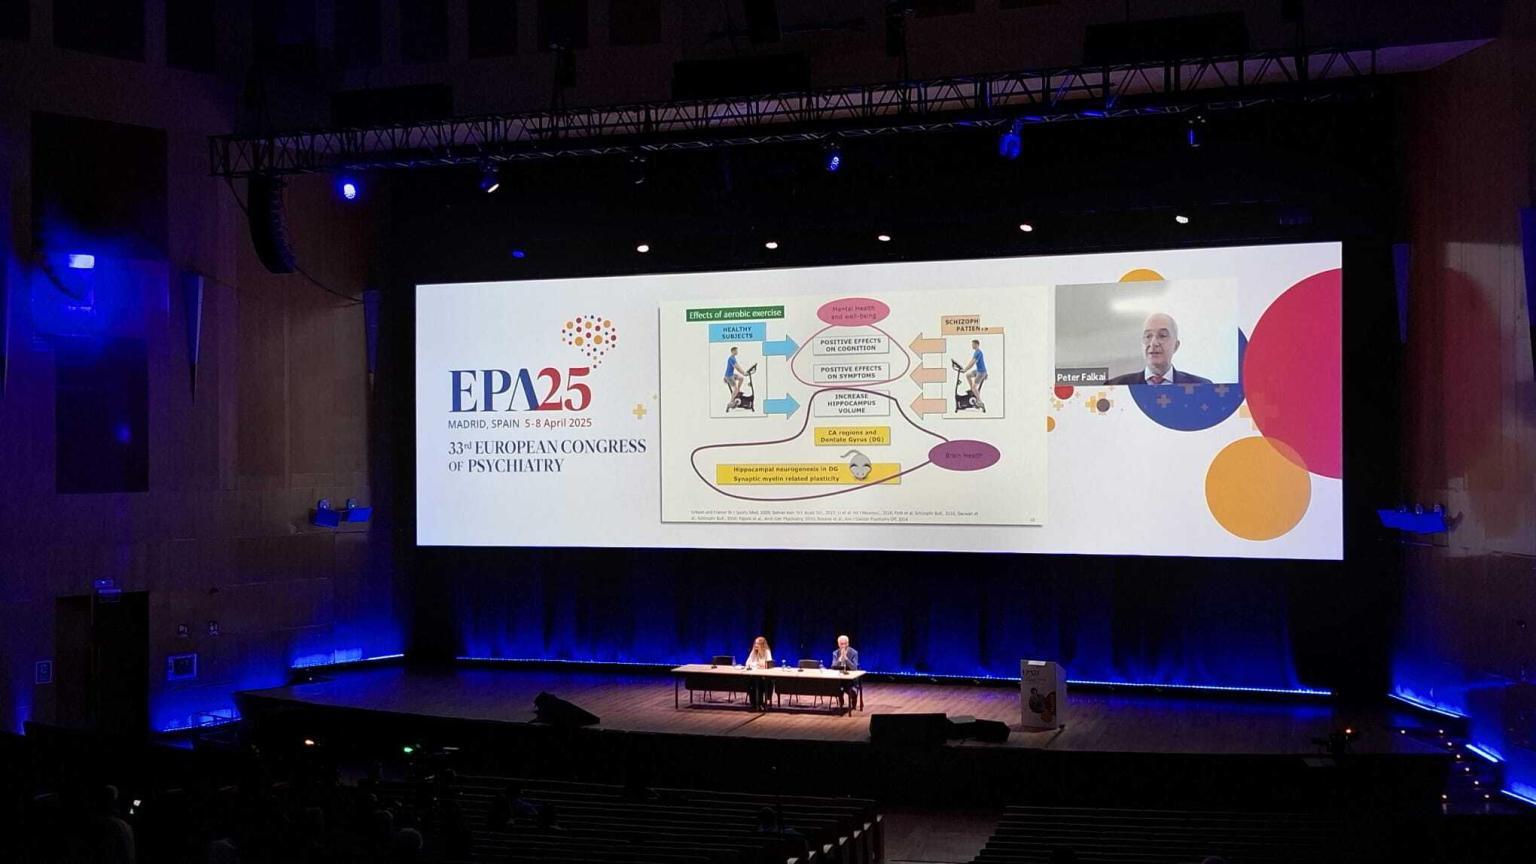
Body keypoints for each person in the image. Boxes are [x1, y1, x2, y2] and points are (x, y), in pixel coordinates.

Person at [1106, 312, 1212, 385]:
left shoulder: (1201, 387)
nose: (1154, 343)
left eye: (1162, 336)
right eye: (1148, 336)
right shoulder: (1116, 387)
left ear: (1176, 345)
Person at [831, 634, 860, 711]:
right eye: (841, 644)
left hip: (850, 679)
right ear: (838, 644)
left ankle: (853, 699)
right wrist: (840, 659)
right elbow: (833, 666)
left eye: (845, 643)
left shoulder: (854, 652)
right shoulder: (835, 653)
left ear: (848, 643)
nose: (844, 646)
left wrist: (846, 659)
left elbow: (854, 668)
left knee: (849, 689)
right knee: (837, 687)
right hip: (839, 678)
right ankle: (841, 701)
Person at [745, 635, 774, 710]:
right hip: (755, 675)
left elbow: (768, 664)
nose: (755, 645)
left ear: (762, 645)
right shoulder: (754, 651)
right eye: (755, 643)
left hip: (765, 677)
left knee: (760, 682)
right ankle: (754, 703)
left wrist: (758, 664)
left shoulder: (767, 652)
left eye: (757, 643)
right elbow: (747, 663)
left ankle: (760, 703)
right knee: (751, 682)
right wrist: (757, 664)